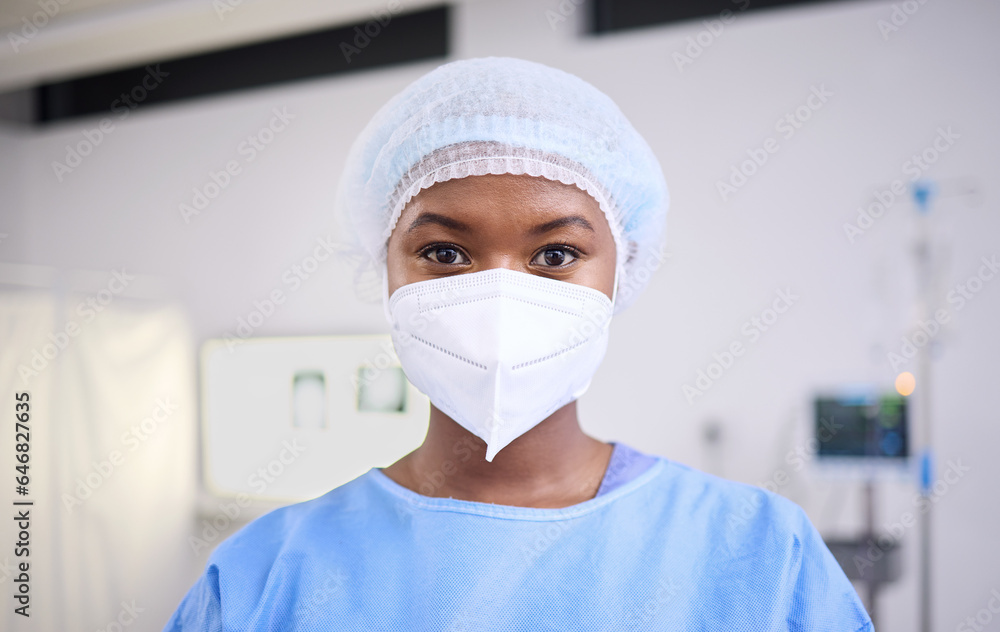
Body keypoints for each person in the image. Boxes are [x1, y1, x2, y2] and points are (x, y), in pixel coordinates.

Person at [164, 57, 873, 631]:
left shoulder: (758, 554)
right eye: (443, 252)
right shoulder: (264, 577)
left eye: (556, 254)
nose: (499, 295)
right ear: (383, 271)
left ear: (622, 273)